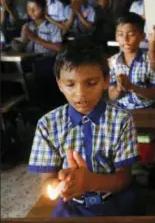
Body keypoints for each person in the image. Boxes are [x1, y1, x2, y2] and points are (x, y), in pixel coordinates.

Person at [28, 40, 143, 217]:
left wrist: (91, 182)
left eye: (91, 83)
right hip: (70, 206)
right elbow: (47, 182)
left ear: (106, 81)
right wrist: (61, 184)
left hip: (114, 203)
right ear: (59, 84)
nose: (80, 94)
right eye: (70, 84)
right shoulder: (47, 125)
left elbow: (124, 178)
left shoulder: (121, 120)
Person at [108, 13, 155, 109]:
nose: (125, 39)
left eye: (131, 34)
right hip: (123, 109)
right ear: (116, 37)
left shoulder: (151, 60)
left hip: (149, 110)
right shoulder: (113, 61)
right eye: (120, 34)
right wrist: (119, 88)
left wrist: (132, 87)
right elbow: (111, 96)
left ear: (142, 36)